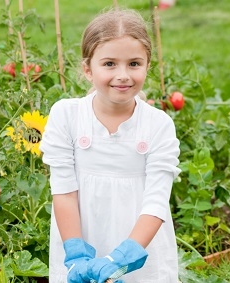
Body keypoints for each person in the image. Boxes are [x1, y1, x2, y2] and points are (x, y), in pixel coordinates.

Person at [40, 8, 181, 283]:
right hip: (80, 235)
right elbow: (64, 192)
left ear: (147, 66)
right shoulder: (66, 116)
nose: (123, 75)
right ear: (87, 69)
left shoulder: (158, 125)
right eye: (109, 64)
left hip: (140, 242)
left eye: (134, 64)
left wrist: (125, 255)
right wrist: (76, 253)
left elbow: (156, 201)